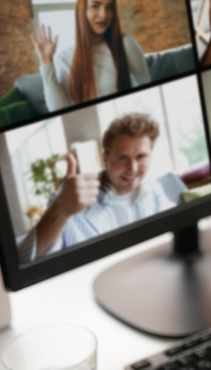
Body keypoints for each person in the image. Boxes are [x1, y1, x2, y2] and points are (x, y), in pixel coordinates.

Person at [18, 113, 184, 263]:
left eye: (141, 156)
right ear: (105, 158)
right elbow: (26, 260)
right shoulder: (67, 200)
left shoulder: (153, 190)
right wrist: (61, 209)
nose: (132, 168)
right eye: (122, 158)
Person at [30, 0, 151, 111]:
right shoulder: (64, 58)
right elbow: (59, 111)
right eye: (95, 6)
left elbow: (145, 84)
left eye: (109, 8)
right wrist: (46, 63)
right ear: (82, 11)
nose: (104, 15)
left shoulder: (125, 43)